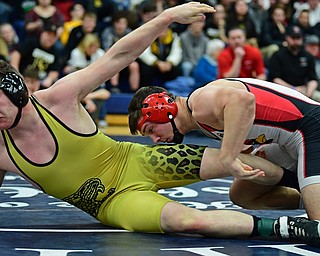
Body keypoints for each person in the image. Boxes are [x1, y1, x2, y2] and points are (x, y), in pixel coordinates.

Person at [0, 2, 318, 247]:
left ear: (15, 90)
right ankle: (286, 224)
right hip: (113, 204)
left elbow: (117, 56)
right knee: (191, 220)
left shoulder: (59, 98)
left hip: (134, 160)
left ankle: (305, 182)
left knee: (246, 165)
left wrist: (165, 17)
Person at [127, 76, 320, 227]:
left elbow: (243, 99)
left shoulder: (199, 104)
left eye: (151, 130)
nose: (156, 140)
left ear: (163, 109)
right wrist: (244, 149)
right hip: (285, 139)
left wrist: (228, 156)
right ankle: (308, 197)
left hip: (309, 127)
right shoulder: (200, 121)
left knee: (317, 224)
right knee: (242, 194)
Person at [268, 25, 320, 101]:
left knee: (318, 97)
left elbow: (313, 79)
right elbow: (274, 78)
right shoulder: (278, 55)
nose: (296, 41)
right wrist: (293, 89)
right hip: (283, 90)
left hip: (303, 90)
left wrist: (309, 93)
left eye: (298, 38)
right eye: (293, 38)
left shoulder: (308, 56)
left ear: (302, 39)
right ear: (287, 38)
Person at [10, 22, 61, 89]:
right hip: (23, 78)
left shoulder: (56, 52)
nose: (50, 38)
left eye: (53, 36)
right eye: (48, 34)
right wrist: (16, 73)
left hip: (40, 83)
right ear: (42, 33)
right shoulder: (31, 42)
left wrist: (49, 79)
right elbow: (16, 54)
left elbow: (55, 70)